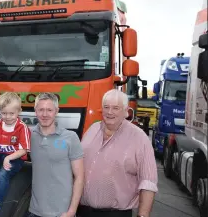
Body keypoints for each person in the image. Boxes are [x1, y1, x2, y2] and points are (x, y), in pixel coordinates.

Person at [77, 89, 158, 217]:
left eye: (116, 108)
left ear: (126, 111)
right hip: (83, 211)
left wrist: (143, 215)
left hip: (116, 214)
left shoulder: (139, 138)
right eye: (106, 107)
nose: (110, 112)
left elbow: (148, 182)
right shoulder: (92, 130)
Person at [25, 92, 85, 217]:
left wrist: (71, 211)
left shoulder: (71, 137)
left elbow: (79, 177)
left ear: (56, 111)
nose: (45, 114)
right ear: (35, 111)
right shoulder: (28, 135)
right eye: (41, 109)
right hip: (35, 211)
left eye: (49, 110)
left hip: (62, 213)